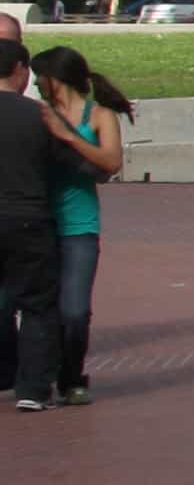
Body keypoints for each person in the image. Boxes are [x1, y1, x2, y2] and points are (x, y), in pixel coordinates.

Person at [29, 48, 124, 408]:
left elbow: (111, 162)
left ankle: (72, 377)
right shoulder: (36, 114)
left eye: (41, 77)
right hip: (37, 222)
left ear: (57, 78)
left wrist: (67, 135)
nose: (36, 83)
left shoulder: (99, 116)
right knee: (40, 307)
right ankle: (38, 377)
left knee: (75, 310)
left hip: (79, 225)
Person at [0, 40, 58, 409]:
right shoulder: (38, 115)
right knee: (37, 303)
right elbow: (62, 163)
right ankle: (33, 388)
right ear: (21, 69)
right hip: (28, 215)